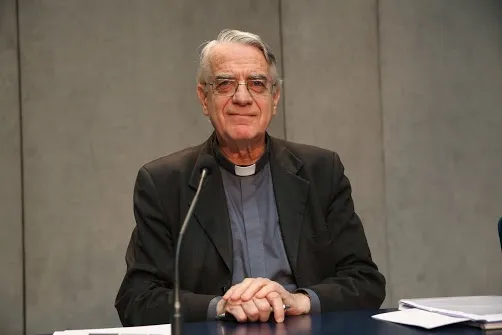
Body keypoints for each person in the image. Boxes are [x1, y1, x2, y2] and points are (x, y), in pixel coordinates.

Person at [115, 29, 386, 326]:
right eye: (225, 84)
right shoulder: (164, 183)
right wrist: (222, 306)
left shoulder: (321, 171)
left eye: (257, 84)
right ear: (204, 98)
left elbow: (365, 282)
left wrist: (300, 300)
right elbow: (136, 300)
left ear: (275, 97)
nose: (242, 98)